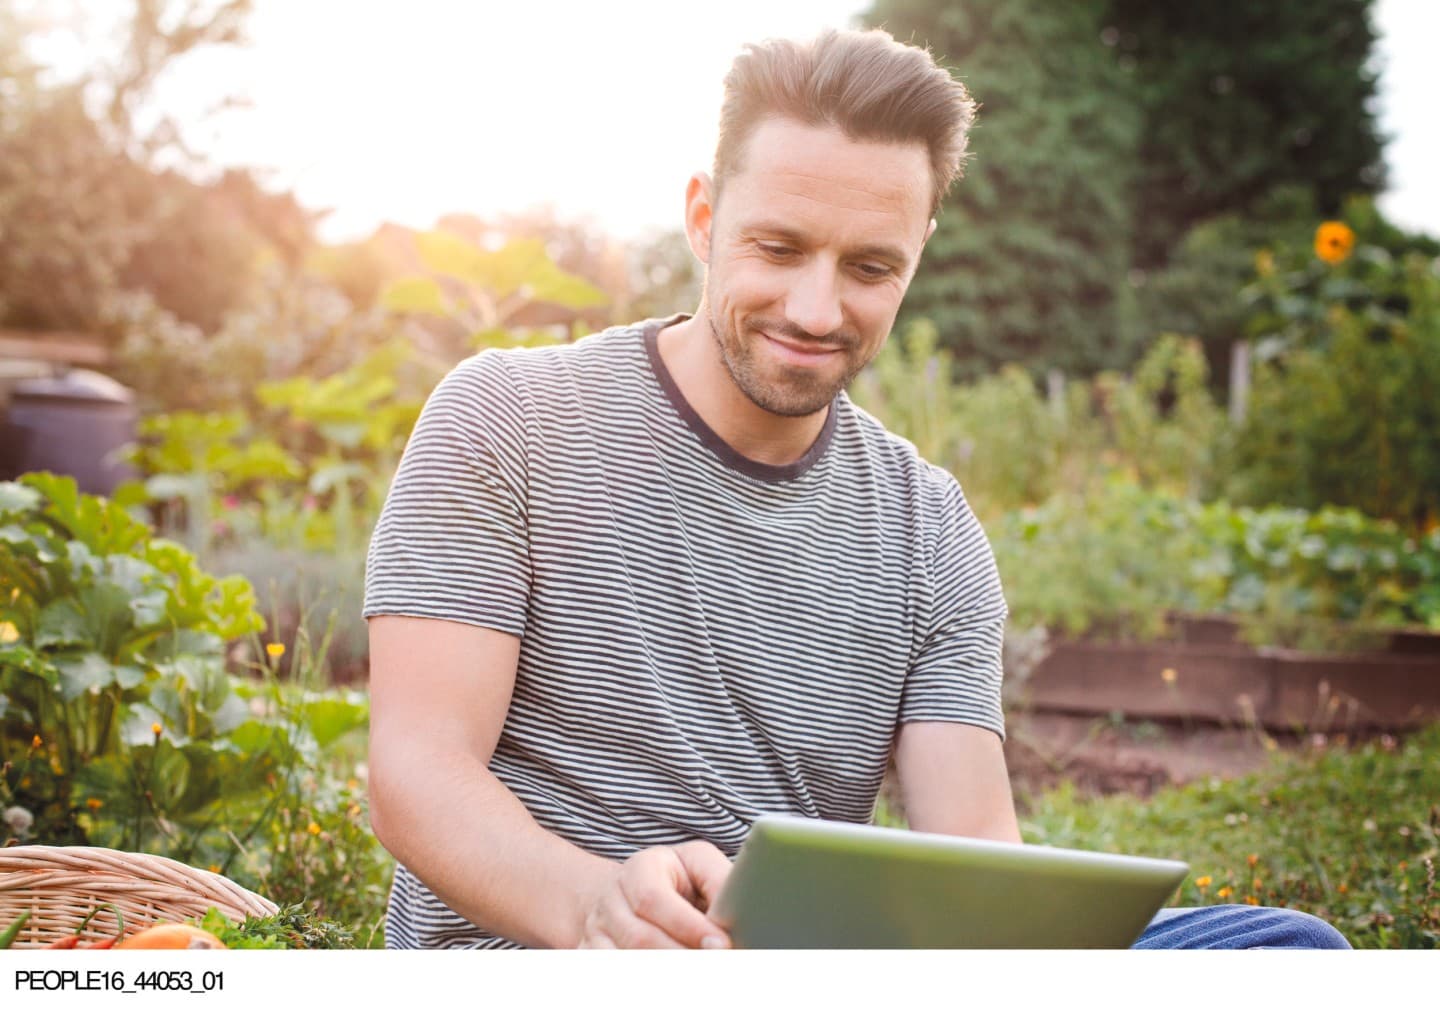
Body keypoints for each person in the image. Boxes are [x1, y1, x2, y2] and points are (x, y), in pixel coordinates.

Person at [362, 27, 1349, 951]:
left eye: (870, 266)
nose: (815, 308)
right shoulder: (510, 419)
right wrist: (597, 906)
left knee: (1292, 954)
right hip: (546, 948)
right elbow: (416, 777)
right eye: (780, 248)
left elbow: (974, 857)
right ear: (705, 219)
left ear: (915, 260)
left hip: (818, 964)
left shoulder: (930, 527)